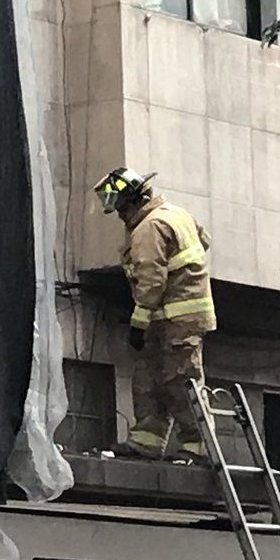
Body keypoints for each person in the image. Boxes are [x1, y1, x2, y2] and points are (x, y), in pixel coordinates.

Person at [92, 167, 215, 461]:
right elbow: (203, 240)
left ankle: (199, 445)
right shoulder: (176, 214)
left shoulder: (149, 227)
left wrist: (139, 322)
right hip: (173, 316)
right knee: (149, 377)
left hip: (174, 317)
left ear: (133, 201)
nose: (120, 216)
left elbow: (151, 280)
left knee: (179, 378)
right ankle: (147, 439)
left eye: (121, 208)